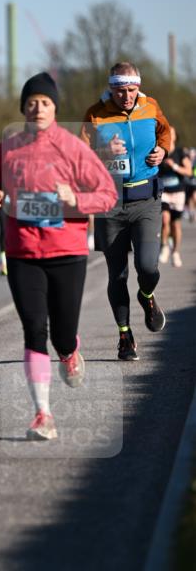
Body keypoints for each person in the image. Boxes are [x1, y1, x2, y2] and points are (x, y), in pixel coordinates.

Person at [0, 72, 117, 441]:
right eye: (31, 102)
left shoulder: (73, 148)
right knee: (33, 329)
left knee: (61, 333)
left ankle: (70, 351)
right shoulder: (10, 147)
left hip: (66, 251)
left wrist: (76, 200)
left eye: (45, 102)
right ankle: (43, 413)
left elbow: (106, 194)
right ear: (23, 108)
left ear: (54, 108)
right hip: (23, 250)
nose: (37, 107)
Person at [81, 63, 171, 361]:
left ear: (138, 87)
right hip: (111, 204)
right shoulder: (96, 114)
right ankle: (125, 336)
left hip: (146, 199)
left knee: (147, 267)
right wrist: (104, 153)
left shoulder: (150, 105)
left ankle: (146, 297)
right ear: (111, 88)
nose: (127, 96)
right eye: (121, 91)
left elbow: (165, 131)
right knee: (117, 275)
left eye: (132, 90)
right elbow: (80, 159)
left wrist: (163, 149)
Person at [158, 128, 192, 267]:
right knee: (165, 220)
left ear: (175, 136)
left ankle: (176, 252)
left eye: (171, 133)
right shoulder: (160, 152)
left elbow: (189, 171)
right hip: (164, 192)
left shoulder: (179, 152)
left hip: (178, 193)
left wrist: (175, 166)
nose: (168, 135)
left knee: (175, 224)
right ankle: (165, 246)